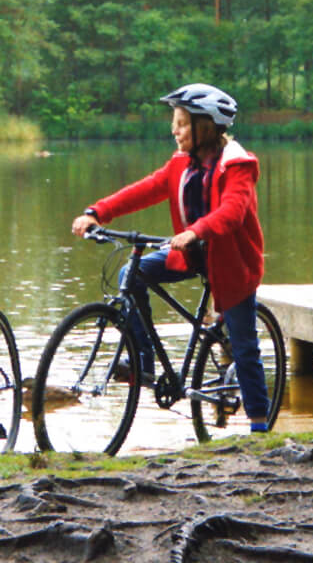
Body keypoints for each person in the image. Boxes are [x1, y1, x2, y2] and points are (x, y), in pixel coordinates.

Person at [71, 83, 270, 433]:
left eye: (180, 123)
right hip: (191, 254)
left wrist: (196, 230)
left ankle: (259, 425)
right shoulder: (182, 164)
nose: (173, 130)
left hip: (232, 263)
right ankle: (143, 362)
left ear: (204, 126)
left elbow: (233, 211)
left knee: (244, 346)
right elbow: (146, 189)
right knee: (130, 277)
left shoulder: (238, 165)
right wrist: (97, 211)